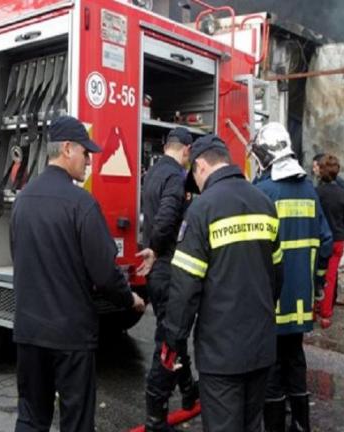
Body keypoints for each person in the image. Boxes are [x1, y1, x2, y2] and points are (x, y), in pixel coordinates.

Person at [10, 115, 145, 432]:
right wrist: (130, 300)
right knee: (76, 422)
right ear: (67, 149)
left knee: (30, 417)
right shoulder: (82, 204)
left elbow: (22, 260)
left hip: (29, 331)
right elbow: (105, 275)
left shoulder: (22, 201)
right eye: (86, 153)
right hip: (70, 335)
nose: (89, 161)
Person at [162, 134, 283, 432]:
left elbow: (184, 287)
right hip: (261, 347)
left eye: (194, 175)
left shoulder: (203, 210)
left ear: (201, 166)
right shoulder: (265, 203)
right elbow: (277, 277)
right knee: (252, 425)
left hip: (221, 354)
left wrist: (174, 342)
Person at [252, 123, 332, 432]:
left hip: (270, 302)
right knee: (296, 362)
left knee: (271, 369)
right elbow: (325, 241)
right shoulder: (310, 191)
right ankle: (300, 426)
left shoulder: (263, 192)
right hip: (300, 300)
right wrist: (318, 284)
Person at [136, 128, 199, 432]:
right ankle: (155, 416)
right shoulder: (176, 177)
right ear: (186, 150)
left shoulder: (153, 173)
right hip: (168, 264)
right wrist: (157, 248)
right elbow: (167, 216)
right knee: (168, 340)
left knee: (174, 335)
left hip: (158, 268)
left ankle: (188, 391)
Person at [315, 154, 344, 329]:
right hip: (338, 240)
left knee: (316, 275)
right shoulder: (342, 192)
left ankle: (315, 310)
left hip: (322, 240)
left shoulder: (316, 193)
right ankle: (326, 314)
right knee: (330, 277)